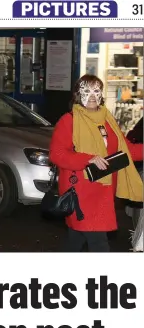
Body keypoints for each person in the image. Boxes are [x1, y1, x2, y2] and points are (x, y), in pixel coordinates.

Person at [49, 74, 143, 252]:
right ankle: (104, 279)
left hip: (104, 191)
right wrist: (88, 158)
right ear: (78, 94)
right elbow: (57, 154)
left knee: (75, 240)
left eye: (96, 90)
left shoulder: (108, 120)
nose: (92, 95)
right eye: (86, 90)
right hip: (81, 191)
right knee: (98, 242)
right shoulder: (69, 120)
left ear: (101, 95)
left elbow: (126, 150)